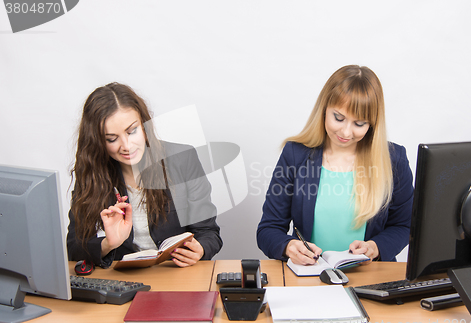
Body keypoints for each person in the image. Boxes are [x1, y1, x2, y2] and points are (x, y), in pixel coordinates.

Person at [256, 65, 413, 265]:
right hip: (311, 276)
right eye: (338, 118)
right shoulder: (295, 155)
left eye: (359, 124)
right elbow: (268, 229)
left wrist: (375, 247)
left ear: (372, 124)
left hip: (372, 278)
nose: (346, 132)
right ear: (324, 109)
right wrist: (288, 247)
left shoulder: (394, 159)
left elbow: (403, 225)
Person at [67, 82, 222, 268]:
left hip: (174, 274)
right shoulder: (92, 173)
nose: (126, 146)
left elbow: (209, 233)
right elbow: (74, 247)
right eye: (112, 139)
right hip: (121, 282)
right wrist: (108, 244)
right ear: (98, 141)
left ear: (144, 125)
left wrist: (201, 249)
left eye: (132, 131)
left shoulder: (183, 158)